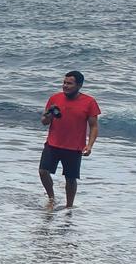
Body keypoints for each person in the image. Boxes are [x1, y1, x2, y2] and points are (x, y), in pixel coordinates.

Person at [39, 70, 100, 208]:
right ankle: (51, 198)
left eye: (69, 83)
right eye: (64, 83)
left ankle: (69, 207)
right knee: (43, 171)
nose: (65, 86)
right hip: (53, 143)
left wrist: (89, 145)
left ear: (79, 85)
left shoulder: (89, 102)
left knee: (71, 179)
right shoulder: (55, 98)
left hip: (74, 147)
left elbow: (94, 126)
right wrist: (49, 116)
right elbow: (44, 121)